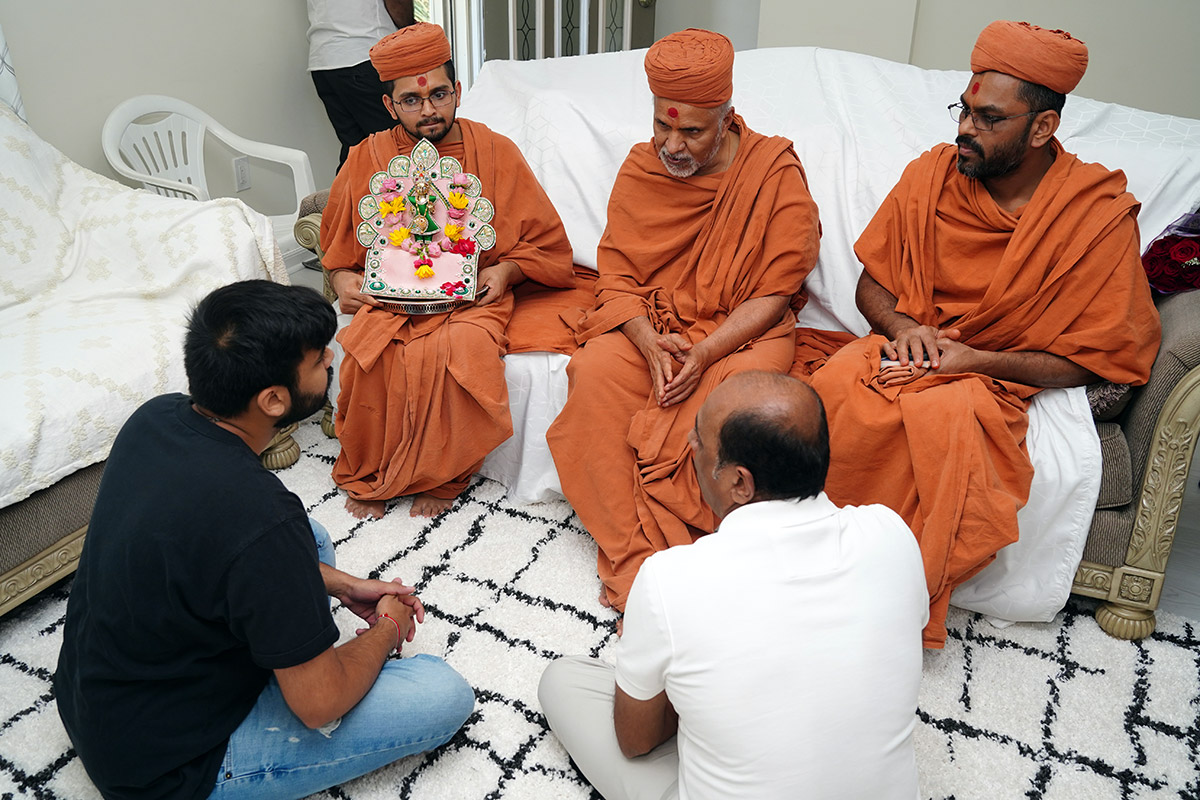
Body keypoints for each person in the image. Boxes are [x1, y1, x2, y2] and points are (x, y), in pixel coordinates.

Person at [809, 20, 1162, 648]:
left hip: (990, 372)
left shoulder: (1095, 216)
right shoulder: (931, 176)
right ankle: (808, 570)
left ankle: (880, 599)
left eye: (989, 118)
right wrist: (905, 327)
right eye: (965, 111)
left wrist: (975, 360)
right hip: (910, 351)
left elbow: (1093, 360)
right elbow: (871, 287)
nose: (965, 129)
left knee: (939, 416)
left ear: (1042, 127)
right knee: (836, 385)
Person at [54, 280, 475, 800]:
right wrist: (387, 628)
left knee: (309, 539)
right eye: (319, 358)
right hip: (166, 770)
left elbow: (220, 551)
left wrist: (342, 586)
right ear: (273, 399)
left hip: (93, 703)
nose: (331, 358)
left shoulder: (154, 417)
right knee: (441, 693)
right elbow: (319, 705)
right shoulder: (263, 518)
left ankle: (292, 644)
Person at [540, 371, 928, 800]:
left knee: (564, 681)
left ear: (740, 483)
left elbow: (635, 741)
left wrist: (665, 654)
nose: (689, 442)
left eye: (699, 439)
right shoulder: (892, 533)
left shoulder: (671, 579)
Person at [546, 28, 821, 613]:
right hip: (653, 325)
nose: (672, 145)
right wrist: (648, 341)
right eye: (661, 126)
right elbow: (615, 276)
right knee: (594, 373)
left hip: (743, 334)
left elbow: (775, 294)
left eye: (692, 131)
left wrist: (704, 352)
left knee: (732, 410)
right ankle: (635, 555)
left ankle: (706, 563)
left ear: (726, 118)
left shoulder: (772, 173)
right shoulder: (640, 168)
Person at [321, 22, 575, 519]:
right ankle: (373, 471)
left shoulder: (496, 151)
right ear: (390, 105)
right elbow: (340, 252)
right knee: (370, 353)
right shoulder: (366, 157)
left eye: (439, 94)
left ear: (457, 91)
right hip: (391, 299)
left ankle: (445, 475)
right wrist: (342, 281)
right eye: (411, 100)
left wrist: (506, 273)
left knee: (465, 348)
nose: (429, 110)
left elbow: (546, 243)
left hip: (471, 297)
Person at [306, 0, 415, 170]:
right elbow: (397, 4)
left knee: (355, 153)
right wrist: (410, 29)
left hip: (325, 60)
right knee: (398, 148)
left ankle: (344, 190)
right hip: (366, 53)